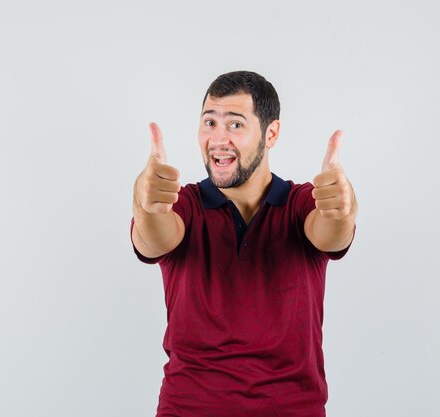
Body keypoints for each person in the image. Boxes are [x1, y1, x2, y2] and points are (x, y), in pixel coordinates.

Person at [130, 71, 357, 417]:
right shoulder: (182, 205)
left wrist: (341, 209)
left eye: (235, 125)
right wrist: (146, 207)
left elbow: (331, 232)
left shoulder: (300, 204)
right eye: (209, 122)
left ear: (271, 134)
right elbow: (153, 239)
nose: (218, 139)